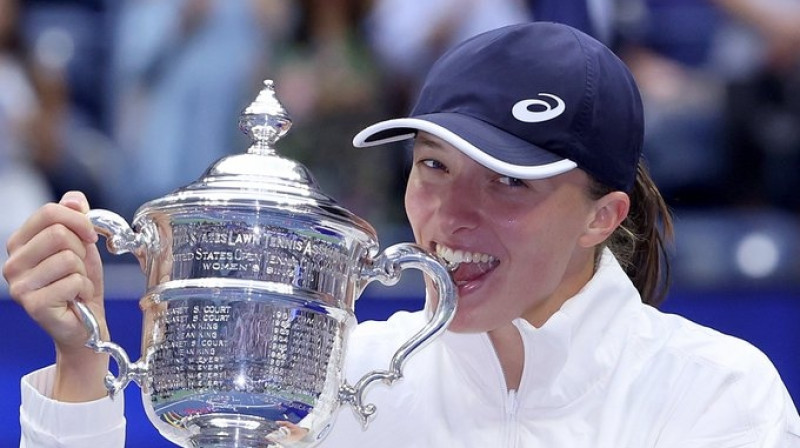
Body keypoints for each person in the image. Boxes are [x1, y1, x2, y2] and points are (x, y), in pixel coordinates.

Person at [4, 22, 799, 447]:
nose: (452, 218)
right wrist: (81, 369)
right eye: (434, 168)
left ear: (603, 216)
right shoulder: (336, 376)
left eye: (510, 182)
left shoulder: (716, 392)